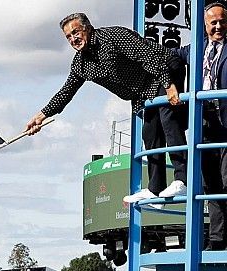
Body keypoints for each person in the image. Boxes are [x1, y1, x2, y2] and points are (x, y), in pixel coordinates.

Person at [26, 13, 188, 202]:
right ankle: (155, 188)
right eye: (68, 37)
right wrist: (41, 116)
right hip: (143, 88)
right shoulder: (80, 63)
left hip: (164, 68)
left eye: (75, 32)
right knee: (150, 133)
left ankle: (182, 181)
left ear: (87, 28)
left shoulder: (112, 37)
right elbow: (66, 92)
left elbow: (148, 56)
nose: (73, 39)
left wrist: (169, 85)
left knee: (168, 121)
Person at [176, 3, 227, 250]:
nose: (218, 26)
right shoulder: (196, 49)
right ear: (204, 26)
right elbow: (170, 56)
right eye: (213, 22)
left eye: (222, 21)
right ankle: (217, 239)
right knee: (211, 182)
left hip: (226, 119)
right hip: (203, 121)